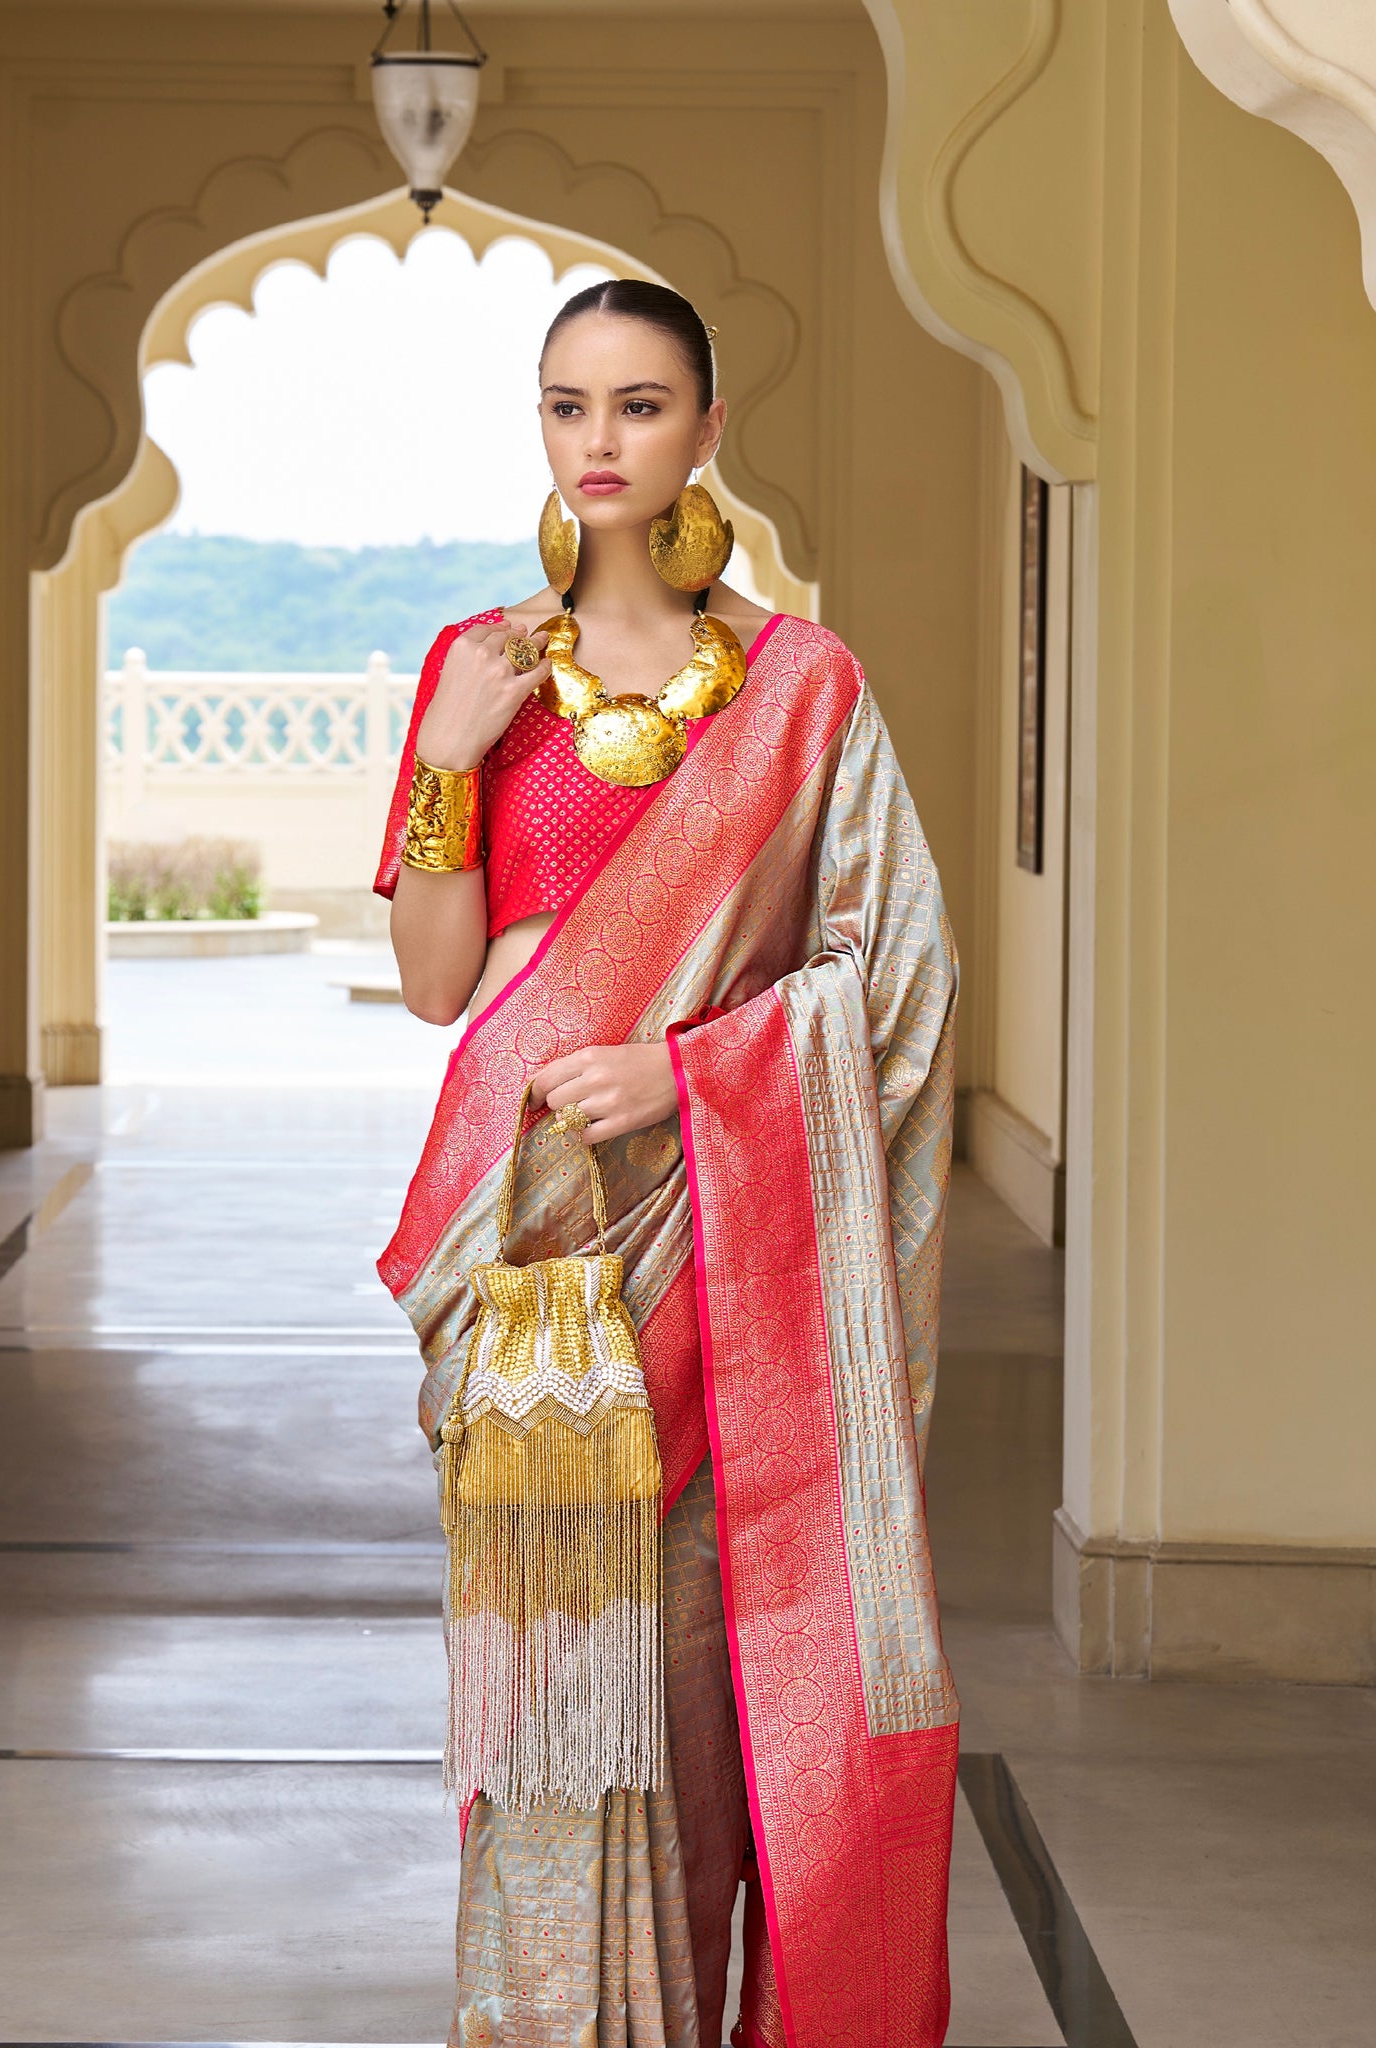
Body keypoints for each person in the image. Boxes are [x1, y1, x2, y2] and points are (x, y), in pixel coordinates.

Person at [374, 278, 959, 2048]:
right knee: (556, 1674)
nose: (601, 442)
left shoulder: (801, 689)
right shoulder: (476, 668)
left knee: (712, 1666)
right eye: (568, 407)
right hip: (534, 1240)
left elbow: (891, 983)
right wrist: (453, 770)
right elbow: (432, 985)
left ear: (707, 428)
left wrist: (695, 1072)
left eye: (638, 406)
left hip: (728, 1239)